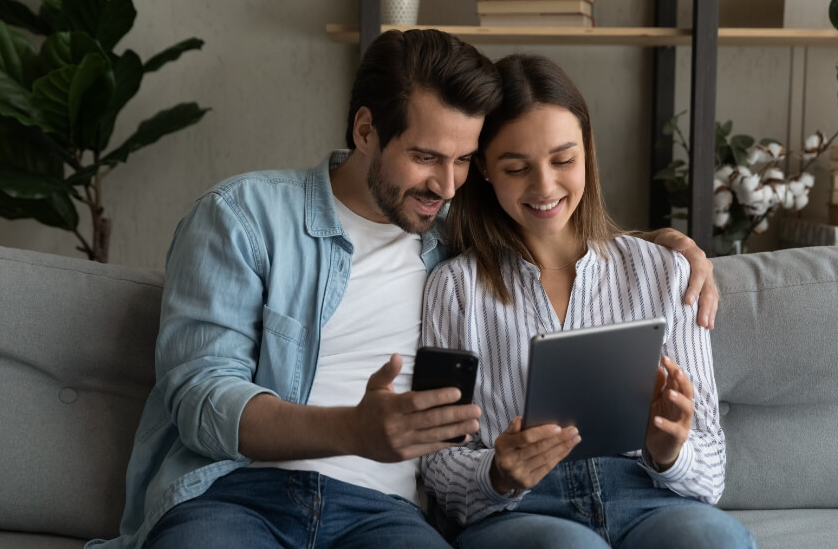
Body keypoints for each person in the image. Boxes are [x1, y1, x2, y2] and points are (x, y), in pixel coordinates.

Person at [87, 30, 719, 549]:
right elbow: (200, 399)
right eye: (425, 156)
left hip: (382, 515)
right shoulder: (243, 217)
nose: (446, 185)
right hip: (235, 494)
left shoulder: (453, 240)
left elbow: (550, 220)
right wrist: (353, 432)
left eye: (464, 160)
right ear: (366, 130)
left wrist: (667, 243)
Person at [420, 54, 755, 549]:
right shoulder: (455, 288)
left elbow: (710, 474)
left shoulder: (665, 271)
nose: (545, 187)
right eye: (516, 168)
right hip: (522, 510)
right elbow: (435, 460)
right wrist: (498, 473)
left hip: (647, 498)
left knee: (717, 541)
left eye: (563, 160)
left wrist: (670, 452)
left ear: (588, 153)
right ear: (485, 170)